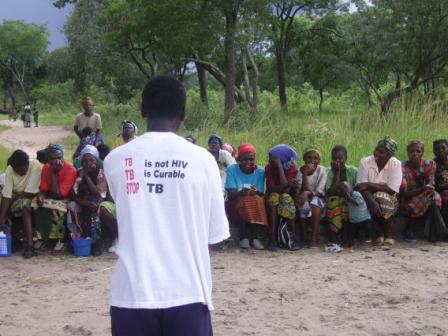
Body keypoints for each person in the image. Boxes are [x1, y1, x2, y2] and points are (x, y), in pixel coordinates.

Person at [104, 76, 229, 336]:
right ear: (183, 113)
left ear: (142, 110)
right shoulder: (204, 161)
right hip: (188, 291)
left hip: (132, 293)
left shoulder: (115, 160)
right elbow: (214, 234)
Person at [68, 145, 114, 256]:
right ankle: (77, 239)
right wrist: (85, 203)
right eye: (85, 161)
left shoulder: (101, 173)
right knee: (71, 206)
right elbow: (73, 194)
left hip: (99, 201)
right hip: (83, 201)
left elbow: (99, 194)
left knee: (94, 209)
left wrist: (87, 177)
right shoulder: (78, 173)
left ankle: (95, 244)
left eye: (91, 160)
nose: (88, 163)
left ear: (96, 160)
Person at [356, 136, 402, 246]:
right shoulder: (365, 162)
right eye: (376, 149)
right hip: (366, 195)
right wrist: (372, 201)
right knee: (365, 202)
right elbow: (361, 186)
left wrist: (369, 184)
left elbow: (392, 189)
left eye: (381, 152)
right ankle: (379, 233)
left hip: (389, 198)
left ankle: (388, 234)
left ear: (390, 155)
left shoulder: (395, 164)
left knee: (382, 199)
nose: (376, 153)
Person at [33, 145, 77, 254]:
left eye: (59, 157)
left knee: (58, 208)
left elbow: (59, 195)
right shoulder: (46, 168)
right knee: (37, 204)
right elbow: (43, 189)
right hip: (50, 199)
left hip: (64, 199)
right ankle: (42, 238)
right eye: (53, 159)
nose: (57, 161)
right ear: (48, 160)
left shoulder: (70, 170)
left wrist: (53, 173)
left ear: (63, 157)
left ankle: (60, 240)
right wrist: (40, 196)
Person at [0, 150, 42, 258]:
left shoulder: (35, 166)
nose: (18, 172)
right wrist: (2, 218)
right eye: (16, 170)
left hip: (33, 197)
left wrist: (13, 201)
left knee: (24, 205)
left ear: (27, 163)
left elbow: (30, 192)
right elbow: (6, 195)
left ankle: (30, 245)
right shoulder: (10, 169)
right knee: (4, 212)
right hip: (17, 197)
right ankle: (14, 240)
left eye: (21, 169)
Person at [225, 143, 267, 250]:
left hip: (254, 202)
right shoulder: (232, 169)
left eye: (251, 159)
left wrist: (255, 191)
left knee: (256, 199)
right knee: (245, 199)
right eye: (245, 159)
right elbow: (232, 194)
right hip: (235, 203)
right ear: (239, 159)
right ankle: (245, 236)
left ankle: (254, 237)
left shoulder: (260, 171)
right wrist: (242, 192)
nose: (248, 162)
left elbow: (261, 193)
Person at [400, 140, 441, 242]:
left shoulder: (429, 164)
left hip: (425, 196)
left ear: (422, 152)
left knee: (434, 196)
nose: (415, 154)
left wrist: (426, 188)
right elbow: (405, 192)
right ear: (407, 152)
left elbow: (431, 184)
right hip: (407, 200)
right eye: (411, 151)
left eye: (418, 151)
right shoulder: (402, 167)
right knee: (428, 197)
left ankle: (431, 229)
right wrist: (423, 189)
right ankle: (409, 229)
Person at [265, 144, 300, 250]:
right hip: (272, 198)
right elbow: (272, 189)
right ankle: (272, 237)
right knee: (274, 197)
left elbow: (286, 190)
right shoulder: (269, 168)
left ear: (281, 159)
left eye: (272, 158)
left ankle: (294, 237)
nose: (270, 160)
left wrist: (280, 167)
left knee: (285, 198)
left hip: (288, 198)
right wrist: (286, 186)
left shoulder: (292, 169)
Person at [325, 145, 358, 246]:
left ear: (346, 158)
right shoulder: (328, 172)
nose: (337, 161)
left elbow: (356, 189)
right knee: (335, 201)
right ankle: (335, 235)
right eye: (334, 159)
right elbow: (330, 192)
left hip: (349, 199)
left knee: (345, 203)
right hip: (333, 199)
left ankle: (347, 235)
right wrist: (337, 172)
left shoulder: (353, 171)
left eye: (340, 158)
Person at [296, 147, 327, 247]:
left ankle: (314, 238)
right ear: (304, 159)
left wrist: (307, 193)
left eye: (316, 158)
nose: (312, 161)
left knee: (315, 202)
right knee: (303, 203)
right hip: (303, 199)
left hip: (318, 199)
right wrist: (305, 174)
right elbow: (301, 191)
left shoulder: (322, 170)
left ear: (319, 160)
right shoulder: (300, 171)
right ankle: (305, 237)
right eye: (309, 158)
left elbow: (320, 190)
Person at [339, 181, 372, 246]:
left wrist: (349, 198)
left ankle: (368, 238)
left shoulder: (356, 194)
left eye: (346, 188)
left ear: (351, 188)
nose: (344, 190)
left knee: (367, 228)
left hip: (364, 217)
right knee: (353, 231)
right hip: (354, 220)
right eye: (342, 189)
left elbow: (357, 203)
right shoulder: (345, 197)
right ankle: (354, 240)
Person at [433, 139, 448, 221]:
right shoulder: (433, 165)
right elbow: (434, 184)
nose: (441, 150)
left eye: (443, 148)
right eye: (437, 149)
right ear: (434, 152)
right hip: (438, 191)